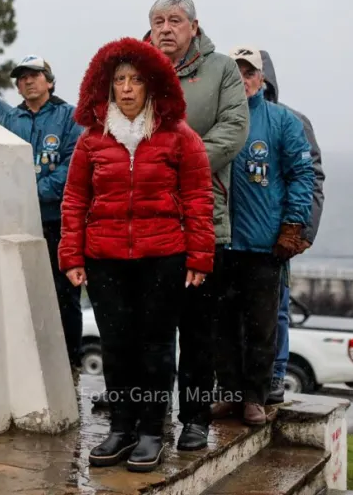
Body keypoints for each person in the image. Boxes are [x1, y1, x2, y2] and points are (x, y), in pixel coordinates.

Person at [60, 37, 214, 472]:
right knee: (116, 346)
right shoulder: (92, 141)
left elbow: (199, 198)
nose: (126, 88)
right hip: (104, 258)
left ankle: (150, 431)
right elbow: (74, 199)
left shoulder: (179, 138)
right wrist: (72, 256)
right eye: (119, 81)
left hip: (162, 258)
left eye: (135, 81)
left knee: (157, 347)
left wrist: (199, 258)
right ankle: (121, 428)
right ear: (107, 88)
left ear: (152, 86)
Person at [146, 0, 249, 450]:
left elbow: (233, 129)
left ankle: (193, 418)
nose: (165, 28)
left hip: (202, 218)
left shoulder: (223, 70)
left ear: (194, 27)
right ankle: (145, 417)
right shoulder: (137, 69)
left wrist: (177, 163)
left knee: (197, 328)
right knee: (148, 328)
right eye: (157, 21)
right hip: (145, 218)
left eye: (175, 20)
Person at [212, 46, 314, 425]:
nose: (242, 80)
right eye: (234, 73)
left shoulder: (283, 122)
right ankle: (229, 394)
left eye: (249, 73)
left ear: (261, 79)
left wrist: (293, 225)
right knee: (221, 326)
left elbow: (303, 176)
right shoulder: (216, 122)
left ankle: (254, 396)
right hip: (221, 241)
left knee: (261, 326)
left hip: (263, 246)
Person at [2, 55, 83, 368]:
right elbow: (3, 165)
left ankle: (70, 363)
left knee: (64, 294)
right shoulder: (11, 120)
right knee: (24, 293)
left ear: (49, 80)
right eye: (22, 77)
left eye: (34, 75)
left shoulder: (69, 117)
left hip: (58, 222)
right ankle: (28, 363)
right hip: (20, 222)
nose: (27, 81)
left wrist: (34, 192)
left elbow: (72, 165)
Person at [260, 49, 325, 405]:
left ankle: (274, 376)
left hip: (278, 237)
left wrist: (300, 233)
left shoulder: (293, 120)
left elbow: (312, 179)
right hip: (238, 237)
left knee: (277, 309)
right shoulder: (232, 119)